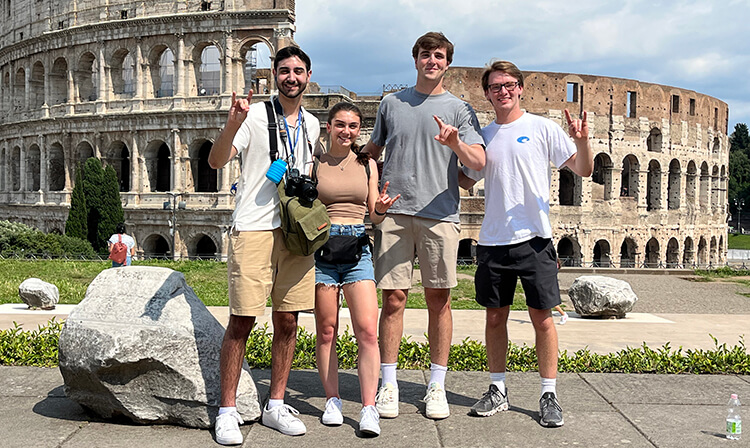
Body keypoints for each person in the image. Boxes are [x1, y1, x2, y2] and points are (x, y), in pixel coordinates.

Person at [459, 60, 593, 427]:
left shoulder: (541, 128)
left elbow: (583, 170)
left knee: (543, 320)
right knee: (494, 318)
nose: (503, 91)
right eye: (495, 86)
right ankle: (497, 389)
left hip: (535, 239)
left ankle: (549, 393)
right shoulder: (483, 136)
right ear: (486, 94)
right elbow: (465, 180)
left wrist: (582, 142)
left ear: (520, 88)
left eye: (509, 84)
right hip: (492, 240)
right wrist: (446, 146)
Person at [363, 31, 485, 420]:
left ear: (447, 63)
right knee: (393, 299)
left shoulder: (460, 110)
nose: (432, 61)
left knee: (440, 300)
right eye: (425, 55)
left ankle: (436, 385)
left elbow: (477, 163)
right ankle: (389, 383)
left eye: (439, 56)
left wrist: (454, 144)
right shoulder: (391, 104)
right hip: (396, 213)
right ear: (415, 59)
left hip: (440, 213)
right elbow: (372, 152)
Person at [208, 46, 321, 444]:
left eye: (299, 71)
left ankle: (275, 404)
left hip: (294, 231)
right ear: (274, 73)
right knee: (242, 319)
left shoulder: (311, 124)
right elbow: (217, 162)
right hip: (254, 227)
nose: (292, 77)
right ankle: (226, 411)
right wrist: (230, 124)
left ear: (309, 76)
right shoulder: (254, 116)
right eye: (285, 70)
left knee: (288, 319)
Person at [313, 102, 400, 436]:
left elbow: (374, 216)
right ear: (329, 127)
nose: (346, 132)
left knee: (366, 330)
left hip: (357, 247)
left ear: (359, 130)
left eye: (352, 126)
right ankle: (332, 399)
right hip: (322, 248)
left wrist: (378, 208)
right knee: (327, 330)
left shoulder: (367, 165)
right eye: (340, 125)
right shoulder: (314, 164)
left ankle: (368, 408)